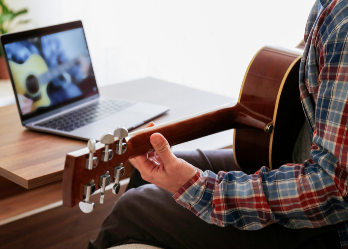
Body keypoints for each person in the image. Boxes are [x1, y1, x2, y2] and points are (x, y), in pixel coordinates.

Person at [88, 0, 348, 248]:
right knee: (150, 166)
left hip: (327, 227)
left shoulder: (342, 20)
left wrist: (200, 188)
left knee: (134, 206)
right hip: (291, 159)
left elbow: (333, 188)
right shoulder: (329, 12)